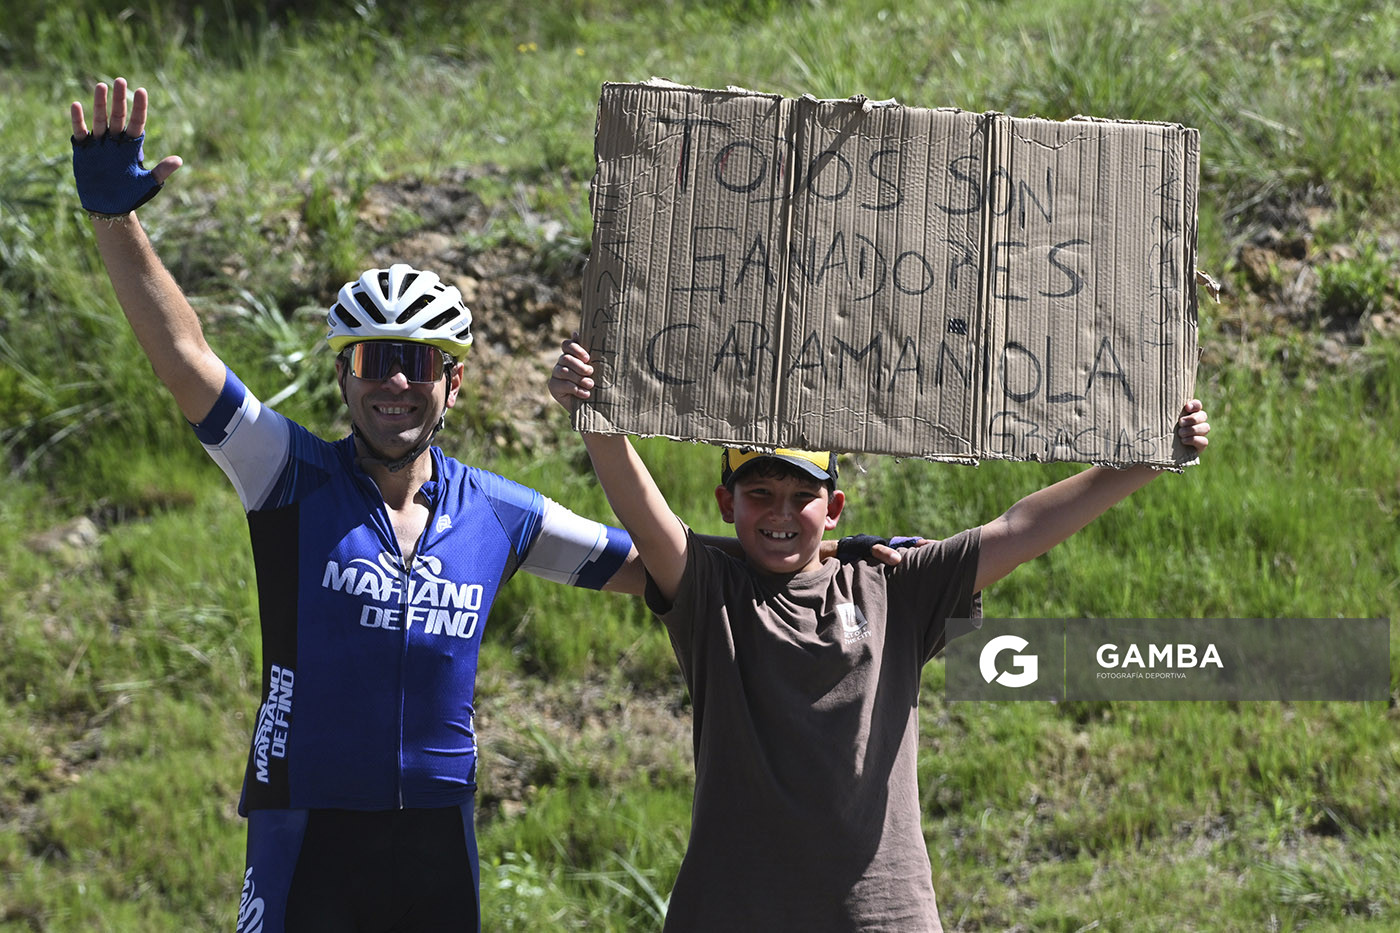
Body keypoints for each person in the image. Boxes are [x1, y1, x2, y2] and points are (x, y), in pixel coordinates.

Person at [68, 78, 913, 932]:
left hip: (439, 830)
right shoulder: (287, 475)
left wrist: (825, 552)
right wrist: (116, 219)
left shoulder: (497, 512)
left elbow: (667, 562)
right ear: (342, 376)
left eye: (420, 362)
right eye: (373, 362)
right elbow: (185, 358)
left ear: (455, 381)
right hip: (306, 820)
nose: (396, 382)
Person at [550, 338, 1211, 932]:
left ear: (833, 505)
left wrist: (1148, 460)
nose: (781, 512)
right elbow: (643, 510)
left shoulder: (893, 583)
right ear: (728, 504)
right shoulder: (710, 592)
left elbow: (1019, 528)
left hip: (880, 914)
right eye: (759, 493)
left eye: (801, 495)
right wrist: (595, 417)